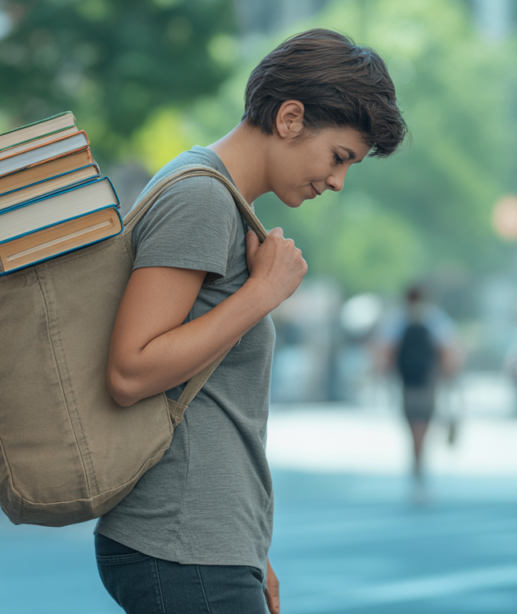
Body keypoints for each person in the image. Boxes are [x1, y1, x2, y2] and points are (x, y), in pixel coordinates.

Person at [97, 29, 407, 614]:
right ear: (290, 117)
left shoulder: (220, 202)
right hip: (181, 546)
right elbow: (131, 370)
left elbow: (211, 397)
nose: (339, 181)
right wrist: (262, 292)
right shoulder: (201, 199)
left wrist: (248, 546)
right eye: (339, 157)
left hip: (206, 544)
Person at [376, 285, 459, 502]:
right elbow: (449, 352)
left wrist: (384, 376)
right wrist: (447, 376)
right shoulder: (435, 319)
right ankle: (419, 469)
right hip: (427, 382)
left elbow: (385, 353)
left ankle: (417, 468)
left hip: (407, 383)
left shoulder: (398, 320)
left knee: (413, 427)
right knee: (423, 426)